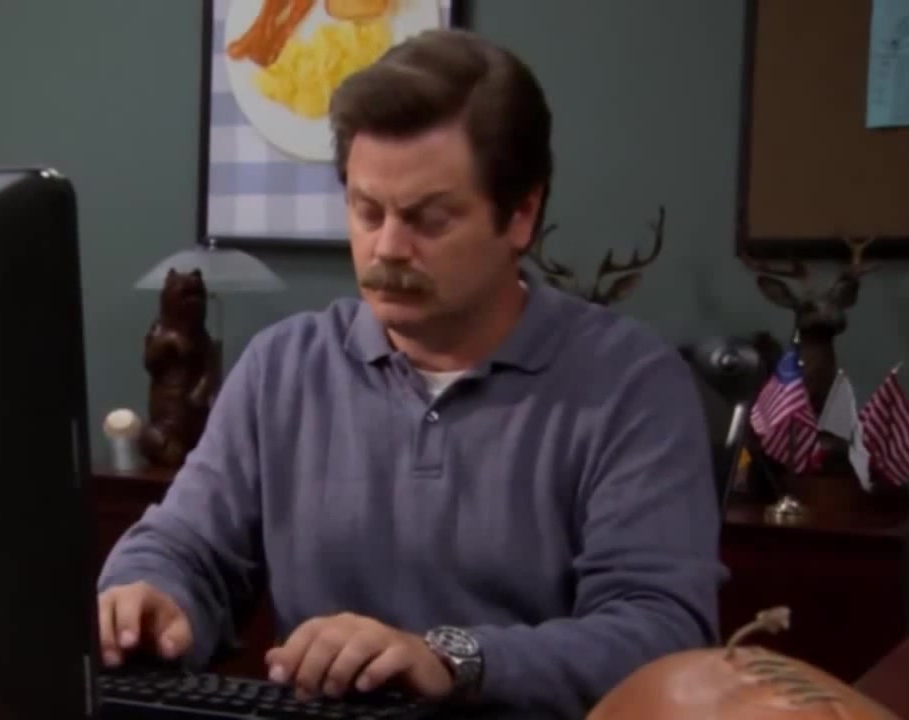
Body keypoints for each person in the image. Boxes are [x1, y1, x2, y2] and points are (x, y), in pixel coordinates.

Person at [97, 27, 725, 719]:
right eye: (367, 211)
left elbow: (661, 632)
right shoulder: (282, 368)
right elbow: (185, 546)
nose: (388, 248)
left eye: (429, 219)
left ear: (521, 214)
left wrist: (450, 659)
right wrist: (150, 595)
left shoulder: (631, 383)